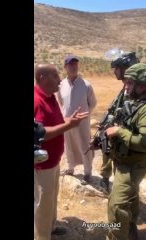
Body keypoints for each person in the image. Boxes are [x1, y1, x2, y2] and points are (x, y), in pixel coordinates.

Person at [104, 63, 146, 240]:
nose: (126, 86)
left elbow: (144, 143)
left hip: (134, 164)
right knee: (130, 199)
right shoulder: (136, 103)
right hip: (123, 161)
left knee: (117, 206)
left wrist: (119, 131)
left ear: (142, 86)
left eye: (130, 83)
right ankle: (130, 231)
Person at [34, 63, 89, 240]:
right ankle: (41, 236)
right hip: (41, 165)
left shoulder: (50, 97)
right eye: (55, 76)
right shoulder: (36, 100)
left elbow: (55, 122)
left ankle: (50, 228)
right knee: (43, 203)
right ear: (42, 78)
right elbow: (38, 134)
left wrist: (70, 120)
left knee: (51, 199)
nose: (60, 79)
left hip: (54, 161)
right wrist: (68, 125)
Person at [99, 51, 139, 191]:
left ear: (125, 69)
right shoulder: (126, 88)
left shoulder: (133, 90)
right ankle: (108, 181)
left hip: (125, 139)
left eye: (116, 68)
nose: (114, 71)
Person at [57, 55, 97, 185]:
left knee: (85, 145)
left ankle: (87, 172)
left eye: (75, 64)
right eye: (70, 64)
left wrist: (85, 115)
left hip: (82, 123)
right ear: (65, 67)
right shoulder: (61, 85)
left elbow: (93, 103)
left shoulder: (86, 85)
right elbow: (61, 102)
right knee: (68, 144)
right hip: (67, 122)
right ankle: (70, 168)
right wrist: (66, 116)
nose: (73, 67)